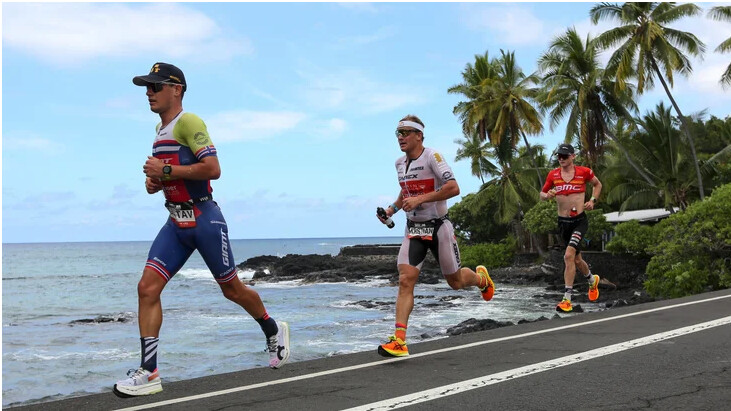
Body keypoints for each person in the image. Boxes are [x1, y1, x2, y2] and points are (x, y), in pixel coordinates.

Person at [114, 62, 290, 397]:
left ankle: (272, 328)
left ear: (176, 89)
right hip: (176, 223)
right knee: (147, 288)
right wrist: (156, 183)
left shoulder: (189, 121)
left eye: (155, 86)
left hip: (204, 219)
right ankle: (149, 372)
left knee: (232, 290)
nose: (148, 93)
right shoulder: (159, 129)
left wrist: (165, 171)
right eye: (146, 88)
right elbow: (172, 174)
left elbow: (212, 168)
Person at [375, 115, 495, 357]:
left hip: (439, 227)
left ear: (419, 135)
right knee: (405, 280)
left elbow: (454, 187)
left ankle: (481, 279)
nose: (400, 137)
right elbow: (405, 191)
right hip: (414, 229)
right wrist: (391, 210)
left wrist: (420, 199)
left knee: (456, 282)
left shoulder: (433, 157)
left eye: (406, 133)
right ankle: (399, 341)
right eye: (398, 133)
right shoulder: (399, 163)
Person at [540, 143, 603, 313]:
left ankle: (567, 299)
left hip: (579, 221)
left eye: (565, 156)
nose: (561, 159)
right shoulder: (553, 174)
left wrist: (592, 201)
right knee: (576, 260)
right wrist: (548, 195)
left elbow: (598, 185)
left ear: (573, 156)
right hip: (563, 223)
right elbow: (542, 194)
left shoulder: (584, 172)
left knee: (568, 256)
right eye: (559, 156)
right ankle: (592, 280)